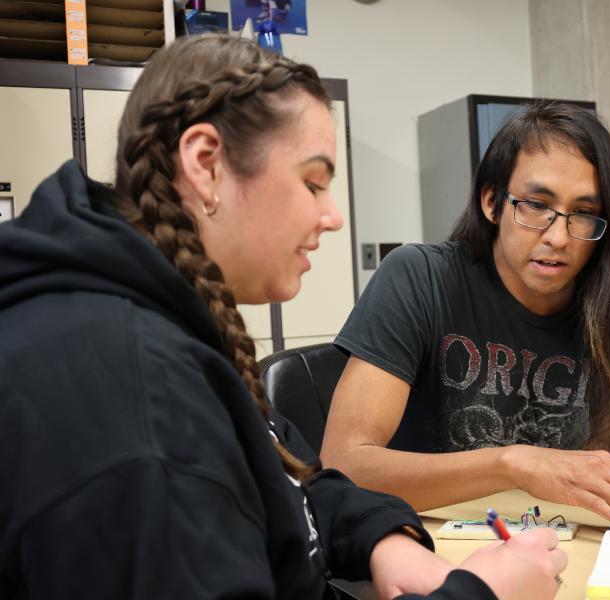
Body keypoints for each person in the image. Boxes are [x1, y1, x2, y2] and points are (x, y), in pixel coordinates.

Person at [0, 35, 567, 599]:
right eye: (314, 182)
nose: (333, 216)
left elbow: (296, 484)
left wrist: (380, 540)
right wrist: (482, 593)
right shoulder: (135, 402)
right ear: (205, 164)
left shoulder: (169, 318)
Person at [321, 103, 610, 520]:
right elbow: (344, 467)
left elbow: (604, 482)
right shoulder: (419, 278)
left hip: (549, 546)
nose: (558, 237)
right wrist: (512, 464)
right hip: (419, 545)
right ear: (492, 202)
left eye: (584, 213)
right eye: (536, 205)